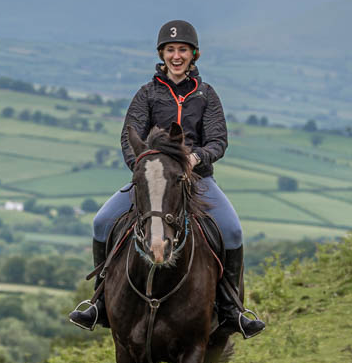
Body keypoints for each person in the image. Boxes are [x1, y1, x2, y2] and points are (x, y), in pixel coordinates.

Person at [69, 19, 265, 338]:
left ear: (193, 55)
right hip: (151, 182)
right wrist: (143, 169)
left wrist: (194, 158)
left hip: (197, 178)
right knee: (102, 222)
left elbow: (218, 140)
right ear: (162, 54)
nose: (177, 55)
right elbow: (128, 136)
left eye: (183, 50)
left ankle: (232, 310)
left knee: (231, 230)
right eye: (171, 49)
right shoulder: (147, 94)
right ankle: (100, 303)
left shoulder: (206, 95)